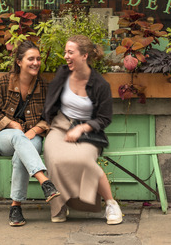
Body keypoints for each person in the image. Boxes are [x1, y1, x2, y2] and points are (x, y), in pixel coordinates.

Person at [42, 35, 123, 225]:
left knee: (84, 161)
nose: (66, 56)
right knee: (54, 160)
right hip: (60, 126)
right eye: (65, 52)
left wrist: (82, 129)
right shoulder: (62, 74)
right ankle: (59, 206)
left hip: (88, 130)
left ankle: (111, 204)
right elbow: (51, 99)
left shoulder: (101, 85)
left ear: (84, 55)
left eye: (70, 52)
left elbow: (104, 118)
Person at [0, 40, 60, 227]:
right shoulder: (4, 82)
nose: (36, 63)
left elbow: (50, 117)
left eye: (38, 59)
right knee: (18, 138)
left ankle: (15, 207)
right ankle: (45, 181)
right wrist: (12, 124)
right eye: (31, 59)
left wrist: (35, 130)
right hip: (5, 137)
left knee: (22, 153)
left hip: (31, 137)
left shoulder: (43, 86)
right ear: (19, 62)